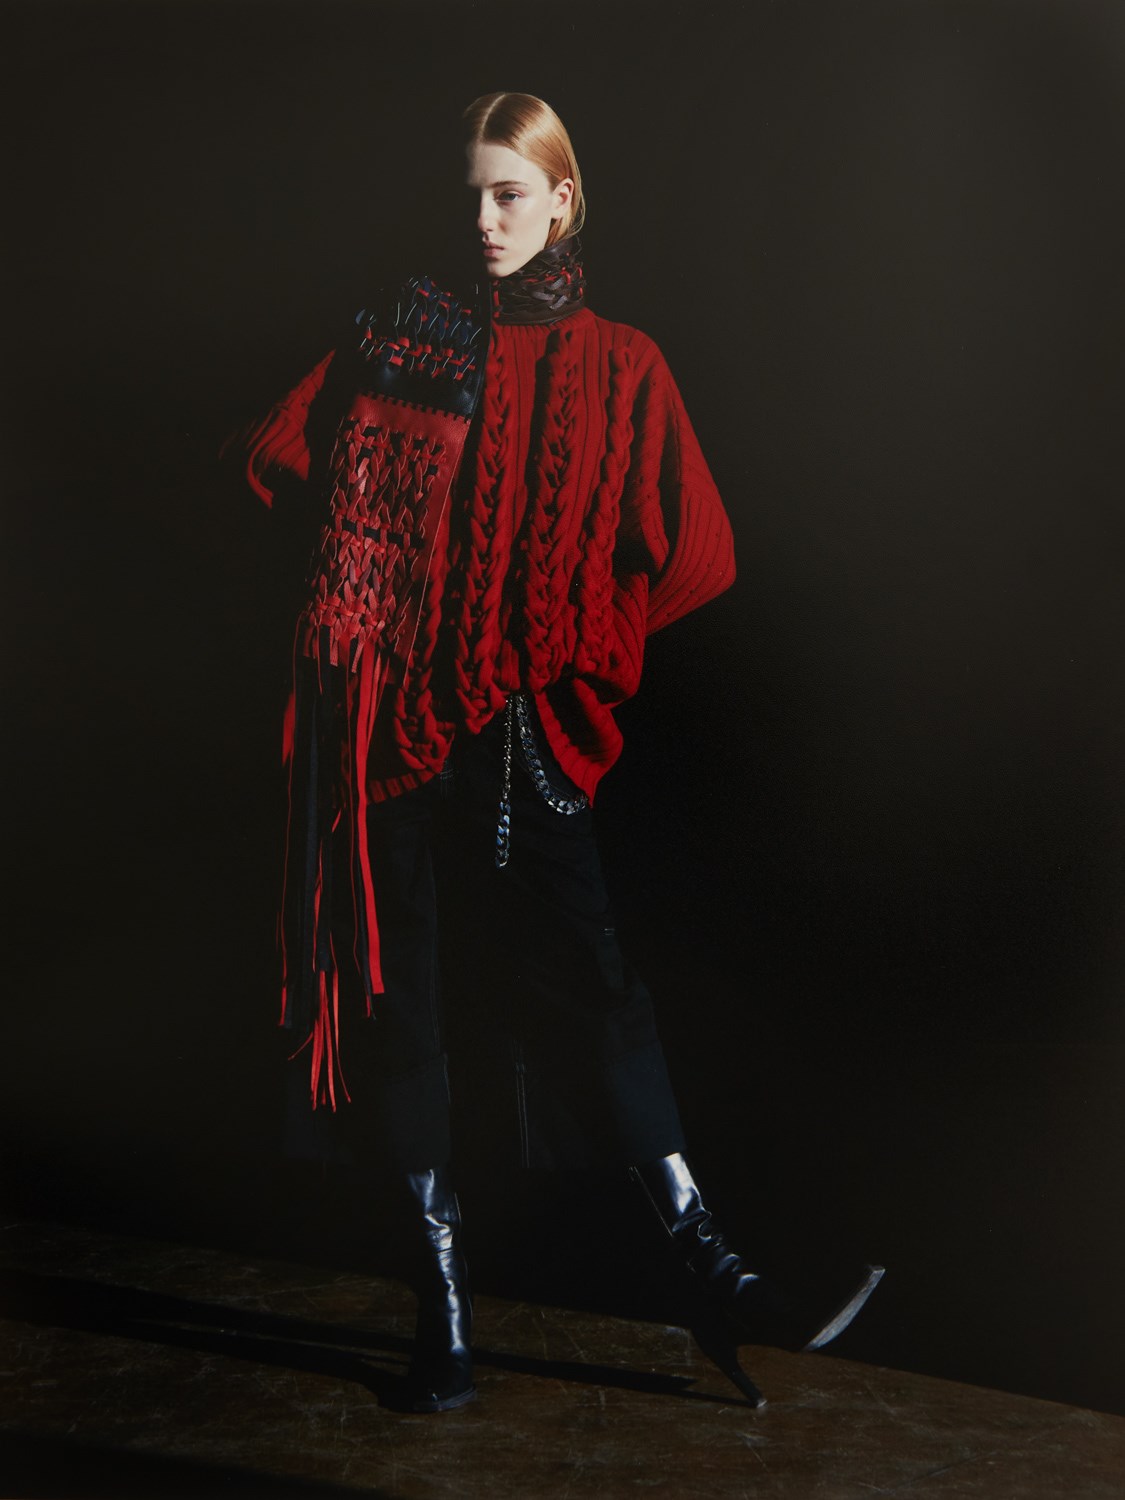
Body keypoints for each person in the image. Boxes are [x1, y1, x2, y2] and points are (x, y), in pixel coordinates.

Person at [230, 92, 882, 1413]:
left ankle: (711, 1271)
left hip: (526, 737)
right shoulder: (404, 336)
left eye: (509, 195)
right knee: (402, 1011)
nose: (484, 220)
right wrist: (369, 591)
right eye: (469, 195)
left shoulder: (623, 365)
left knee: (596, 995)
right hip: (390, 735)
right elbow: (269, 458)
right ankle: (442, 1308)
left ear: (562, 201)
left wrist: (571, 634)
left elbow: (700, 554)